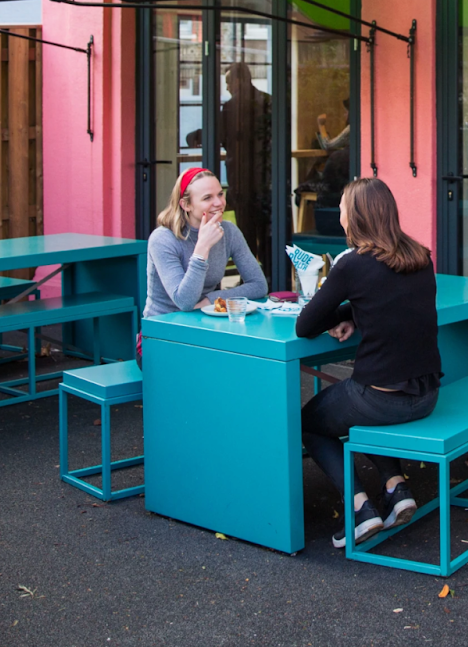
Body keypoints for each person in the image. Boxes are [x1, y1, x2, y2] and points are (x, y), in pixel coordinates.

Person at [295, 178, 442, 547]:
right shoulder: (420, 257)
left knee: (310, 424)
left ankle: (359, 508)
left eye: (343, 207)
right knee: (356, 410)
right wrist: (355, 314)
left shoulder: (352, 265)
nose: (340, 214)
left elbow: (305, 324)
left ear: (356, 216)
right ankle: (395, 489)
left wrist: (344, 313)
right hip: (426, 396)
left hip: (381, 399)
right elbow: (392, 302)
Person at [145, 167, 269, 326]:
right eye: (207, 198)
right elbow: (184, 302)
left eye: (220, 194)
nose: (219, 203)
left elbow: (259, 285)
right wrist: (202, 247)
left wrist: (212, 299)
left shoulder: (229, 231)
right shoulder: (163, 239)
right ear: (186, 205)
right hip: (165, 328)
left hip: (208, 323)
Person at [220, 62, 273, 269]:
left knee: (246, 233)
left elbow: (225, 139)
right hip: (267, 179)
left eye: (228, 82)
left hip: (242, 179)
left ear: (239, 80)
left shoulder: (232, 107)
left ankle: (248, 277)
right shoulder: (269, 102)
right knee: (267, 232)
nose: (227, 87)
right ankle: (271, 274)